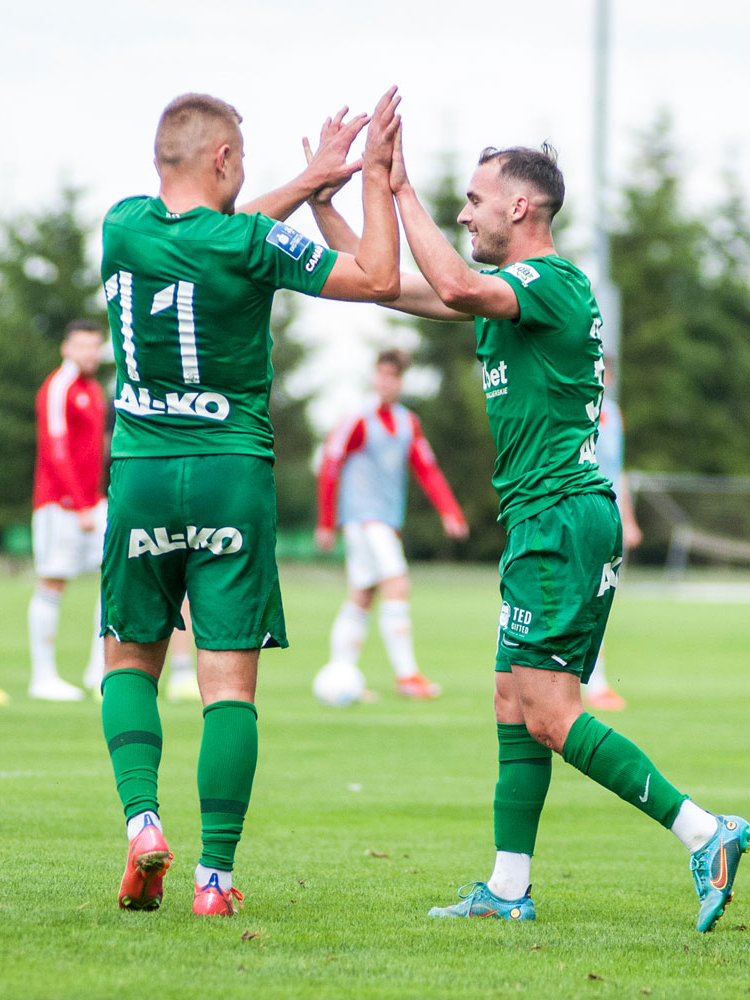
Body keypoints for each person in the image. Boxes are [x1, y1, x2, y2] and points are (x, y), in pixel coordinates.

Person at [307, 131, 750, 931]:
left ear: (519, 206)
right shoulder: (506, 289)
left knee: (548, 710)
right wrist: (327, 203)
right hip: (543, 519)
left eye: (473, 200)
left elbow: (453, 281)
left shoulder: (552, 282)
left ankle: (705, 832)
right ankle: (508, 889)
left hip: (560, 517)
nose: (464, 212)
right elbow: (385, 285)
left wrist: (400, 188)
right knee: (514, 702)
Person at [98, 88, 403, 918]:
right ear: (226, 160)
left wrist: (304, 179)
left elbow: (207, 231)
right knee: (227, 686)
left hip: (143, 473)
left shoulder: (122, 227)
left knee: (130, 657)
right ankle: (214, 880)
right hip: (231, 473)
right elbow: (377, 274)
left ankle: (143, 826)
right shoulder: (256, 243)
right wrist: (365, 176)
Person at [315, 347, 469, 699]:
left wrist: (450, 511)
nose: (387, 382)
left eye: (394, 376)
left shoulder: (407, 422)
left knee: (362, 595)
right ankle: (407, 676)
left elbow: (425, 468)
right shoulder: (357, 418)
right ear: (374, 376)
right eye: (382, 374)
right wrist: (326, 522)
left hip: (385, 520)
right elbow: (330, 465)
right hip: (363, 519)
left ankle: (342, 674)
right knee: (397, 585)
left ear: (400, 381)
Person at [28, 320, 108, 701]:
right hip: (59, 506)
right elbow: (55, 449)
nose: (89, 353)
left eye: (95, 346)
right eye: (82, 346)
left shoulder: (94, 390)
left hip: (94, 503)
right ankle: (42, 677)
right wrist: (78, 505)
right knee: (53, 580)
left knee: (115, 578)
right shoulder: (58, 386)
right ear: (66, 348)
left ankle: (100, 671)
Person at [584, 356, 642, 711]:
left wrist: (629, 519)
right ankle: (592, 681)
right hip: (580, 515)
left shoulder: (614, 415)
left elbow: (618, 471)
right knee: (582, 598)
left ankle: (594, 680)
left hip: (608, 518)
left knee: (597, 598)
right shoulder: (574, 409)